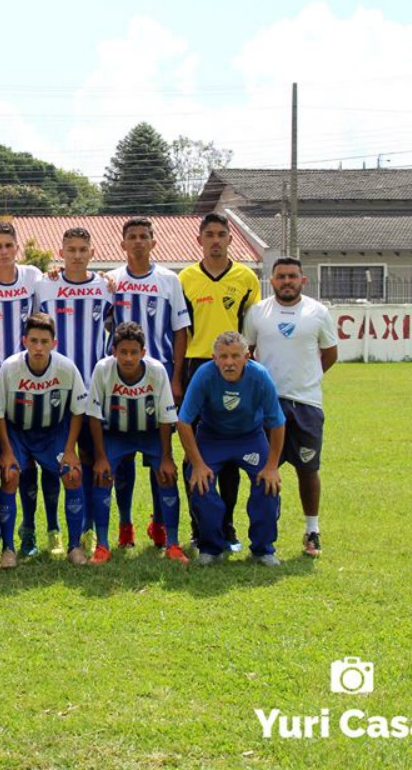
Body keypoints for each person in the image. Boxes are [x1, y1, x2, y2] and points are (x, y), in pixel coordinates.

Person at [0, 221, 61, 559]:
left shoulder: (33, 277)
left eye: (9, 245)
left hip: (26, 377)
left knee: (30, 460)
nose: (4, 251)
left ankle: (32, 529)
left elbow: (53, 296)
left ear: (17, 248)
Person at [244, 257, 338, 557]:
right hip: (267, 405)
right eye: (281, 276)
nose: (287, 281)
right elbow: (247, 353)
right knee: (264, 470)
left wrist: (308, 379)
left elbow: (330, 353)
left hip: (307, 405)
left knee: (308, 469)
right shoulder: (258, 312)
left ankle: (312, 530)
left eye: (292, 276)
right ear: (272, 281)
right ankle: (263, 537)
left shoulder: (318, 312)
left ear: (303, 280)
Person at [178, 212, 262, 551]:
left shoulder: (246, 278)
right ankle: (199, 527)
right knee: (194, 451)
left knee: (230, 451)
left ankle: (226, 526)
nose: (215, 240)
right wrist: (177, 377)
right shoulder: (185, 278)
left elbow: (253, 331)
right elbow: (180, 332)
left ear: (230, 238)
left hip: (234, 368)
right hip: (197, 365)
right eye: (209, 234)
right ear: (199, 239)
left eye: (221, 234)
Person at [107, 217, 190, 550]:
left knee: (160, 455)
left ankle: (159, 523)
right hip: (120, 380)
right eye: (132, 237)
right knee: (123, 458)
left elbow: (180, 331)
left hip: (160, 379)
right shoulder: (111, 281)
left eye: (144, 236)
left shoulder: (169, 280)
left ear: (154, 243)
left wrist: (176, 377)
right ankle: (125, 523)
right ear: (123, 244)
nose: (138, 241)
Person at [33, 227, 113, 556]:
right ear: (61, 252)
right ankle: (53, 529)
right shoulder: (45, 285)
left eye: (83, 249)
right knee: (53, 463)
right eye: (71, 249)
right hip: (54, 390)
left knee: (92, 459)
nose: (77, 255)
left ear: (92, 253)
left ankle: (89, 529)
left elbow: (115, 329)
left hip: (93, 390)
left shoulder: (106, 287)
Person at [176, 331, 285, 566]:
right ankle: (211, 548)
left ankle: (263, 550)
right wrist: (197, 464)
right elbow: (183, 421)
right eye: (223, 356)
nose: (229, 362)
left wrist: (272, 466)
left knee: (268, 484)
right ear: (214, 358)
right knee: (200, 483)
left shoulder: (260, 376)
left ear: (247, 356)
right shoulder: (204, 375)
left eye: (235, 356)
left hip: (250, 437)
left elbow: (277, 423)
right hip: (212, 438)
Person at [0, 313, 90, 570]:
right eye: (33, 340)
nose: (38, 347)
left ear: (54, 343)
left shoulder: (66, 368)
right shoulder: (10, 368)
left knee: (73, 474)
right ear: (24, 341)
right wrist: (6, 451)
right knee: (10, 475)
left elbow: (78, 410)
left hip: (52, 434)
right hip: (17, 433)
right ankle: (8, 548)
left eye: (44, 341)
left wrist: (70, 450)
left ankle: (74, 546)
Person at [86, 322, 187, 565]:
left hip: (150, 433)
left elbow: (166, 417)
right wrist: (100, 457)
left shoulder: (157, 370)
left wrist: (166, 457)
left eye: (134, 352)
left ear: (143, 352)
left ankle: (172, 543)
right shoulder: (103, 369)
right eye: (123, 352)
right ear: (114, 351)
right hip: (116, 434)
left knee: (166, 475)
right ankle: (105, 543)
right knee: (103, 475)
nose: (129, 358)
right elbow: (94, 415)